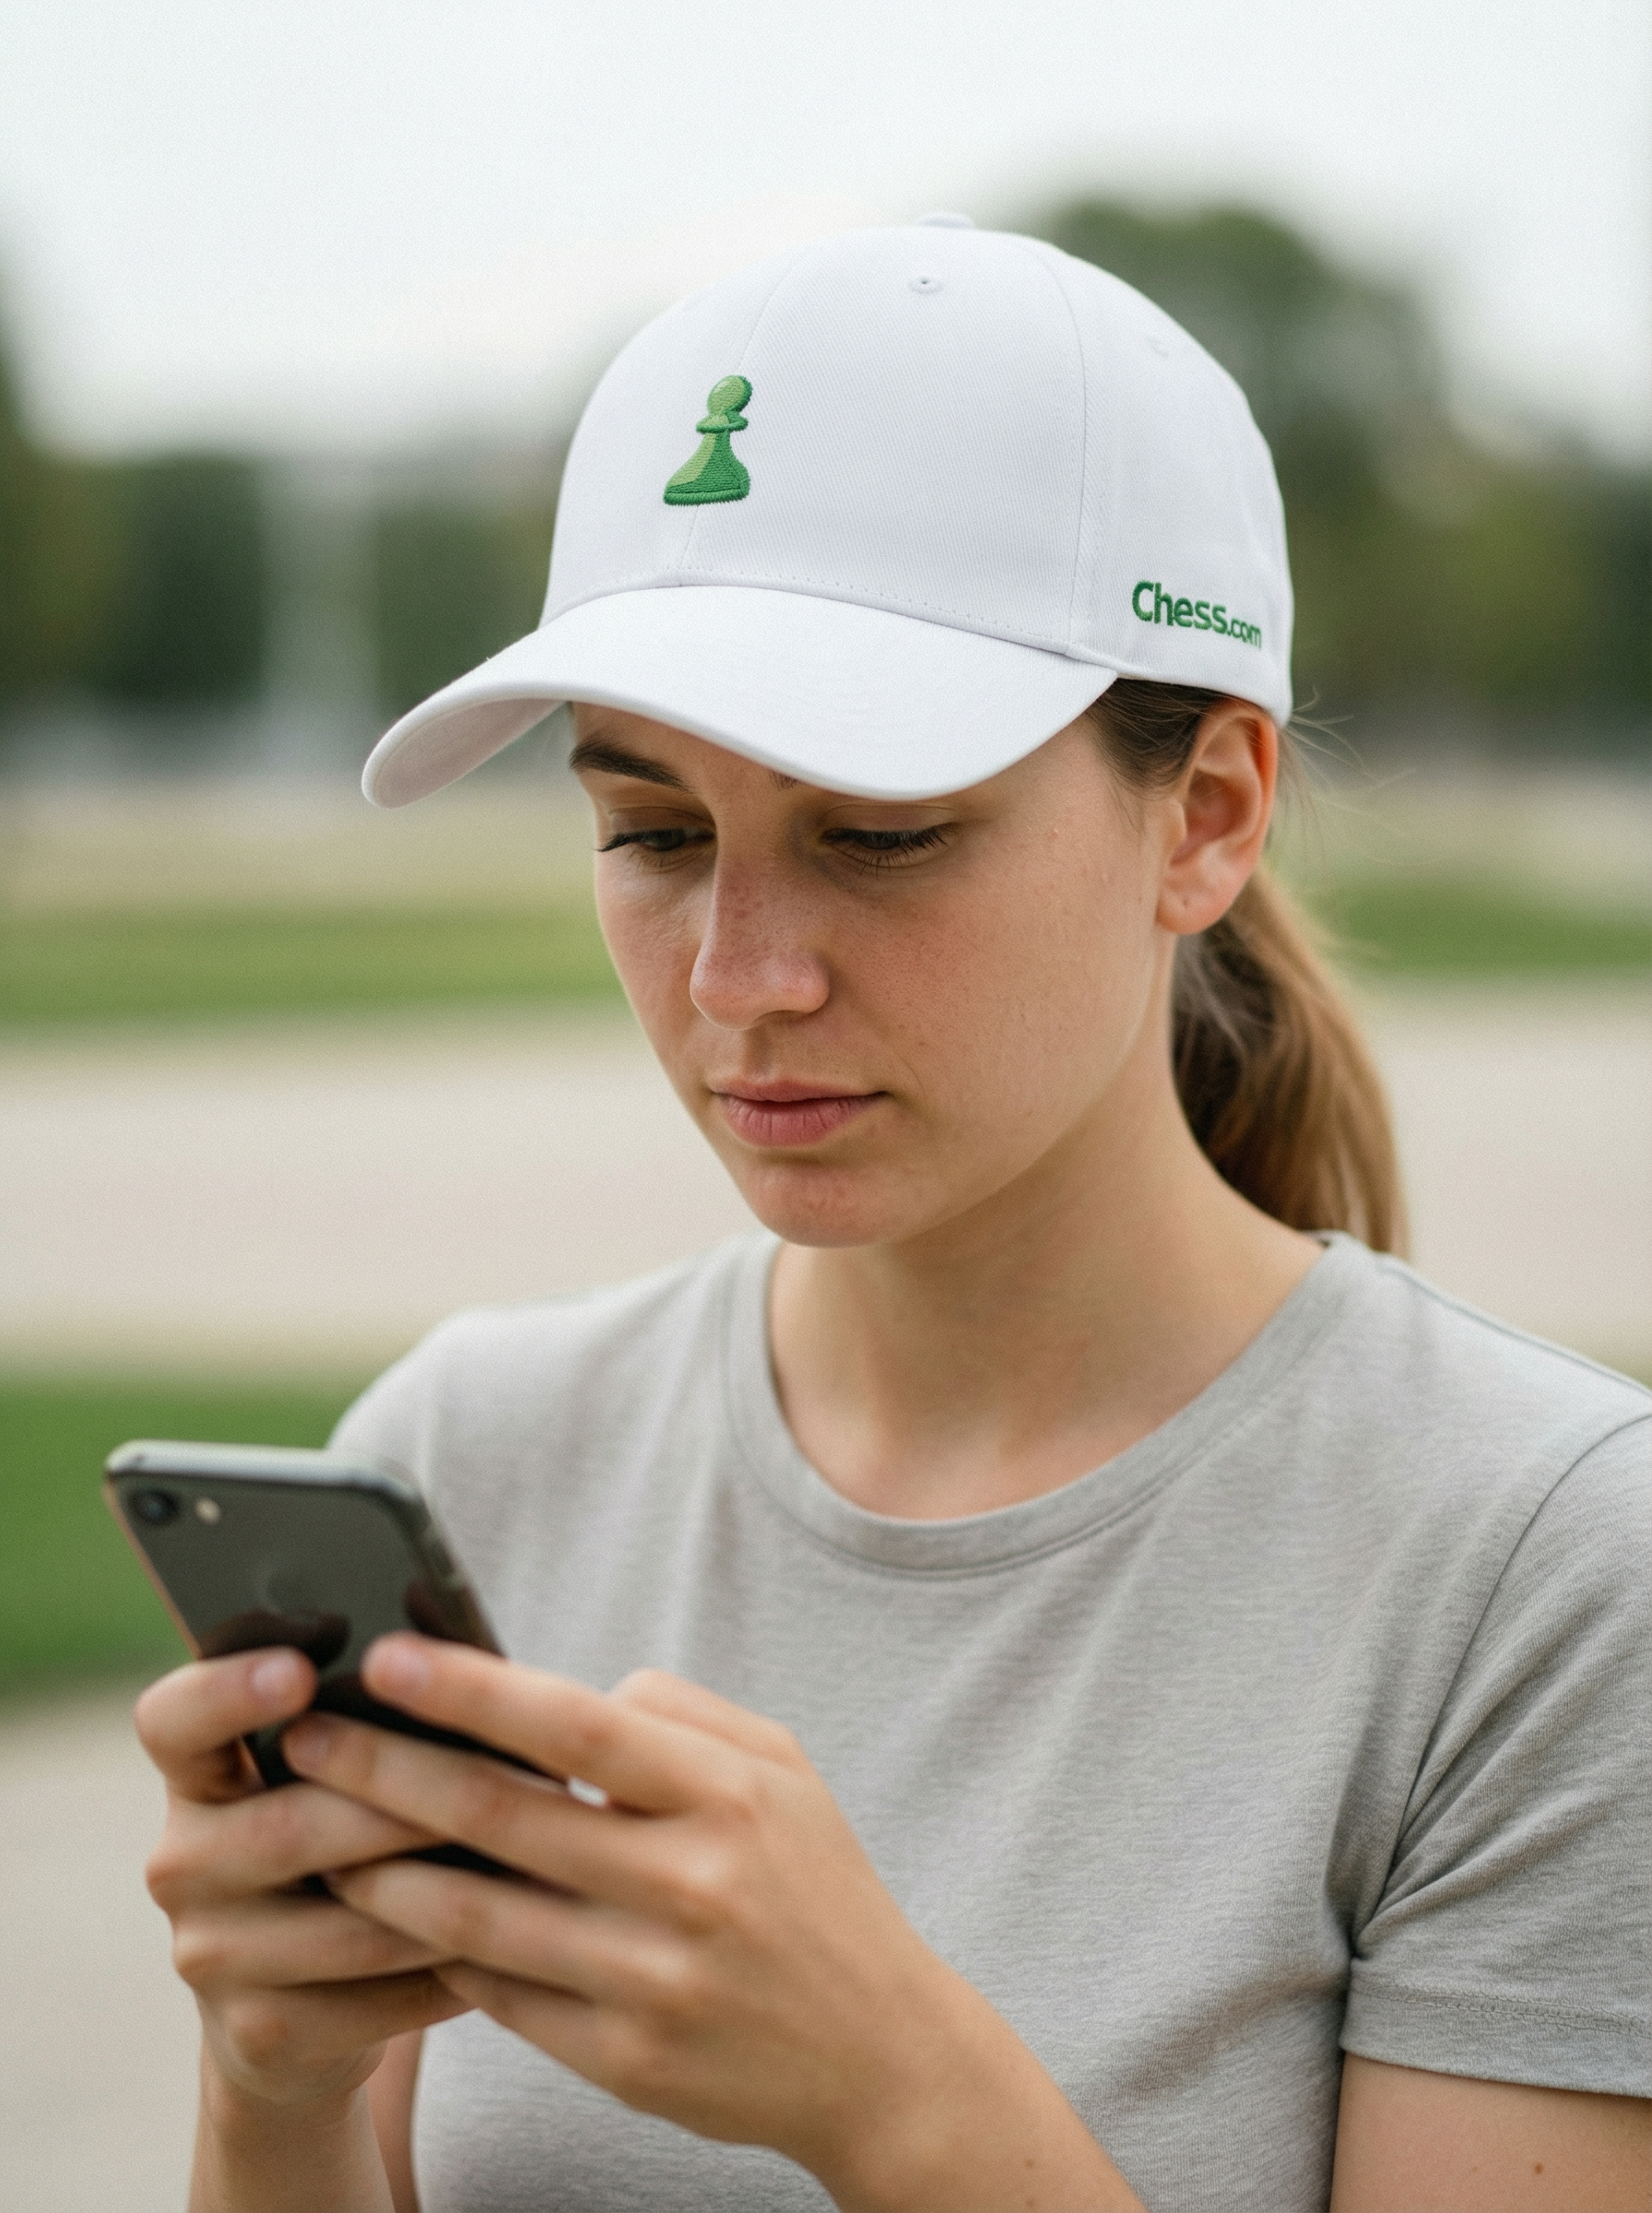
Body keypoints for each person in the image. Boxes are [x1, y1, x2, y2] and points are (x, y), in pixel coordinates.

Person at [135, 219, 1650, 2213]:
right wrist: (275, 2093)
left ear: (1202, 813)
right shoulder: (469, 1452)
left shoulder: (1539, 1577)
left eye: (880, 833)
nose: (740, 974)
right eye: (649, 831)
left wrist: (897, 2098)